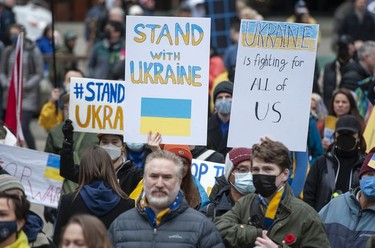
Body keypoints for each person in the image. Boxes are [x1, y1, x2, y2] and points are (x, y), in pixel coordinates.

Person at [214, 138, 330, 247]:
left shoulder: (305, 215)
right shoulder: (246, 202)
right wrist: (258, 234)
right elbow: (219, 227)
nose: (261, 174)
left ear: (285, 174)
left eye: (268, 169)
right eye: (256, 170)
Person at [108, 150, 224, 247]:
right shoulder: (120, 226)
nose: (159, 183)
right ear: (144, 179)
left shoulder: (202, 227)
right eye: (153, 176)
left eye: (167, 177)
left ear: (179, 180)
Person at [53, 145, 135, 245]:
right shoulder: (128, 204)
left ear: (83, 170)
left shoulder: (69, 201)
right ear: (110, 168)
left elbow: (58, 241)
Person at [60, 119, 143, 196]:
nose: (110, 146)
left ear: (123, 146)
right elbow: (67, 170)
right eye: (105, 142)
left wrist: (155, 150)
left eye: (114, 142)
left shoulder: (133, 174)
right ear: (99, 145)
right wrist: (68, 141)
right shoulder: (91, 170)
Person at [304, 115, 367, 212]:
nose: (345, 136)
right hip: (322, 222)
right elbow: (309, 195)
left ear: (358, 137)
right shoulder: (321, 162)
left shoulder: (365, 166)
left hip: (355, 224)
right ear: (335, 135)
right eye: (341, 132)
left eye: (350, 133)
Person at [319, 147, 375, 247]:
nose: (373, 181)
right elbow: (313, 236)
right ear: (361, 176)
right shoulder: (336, 205)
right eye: (370, 174)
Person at [0, 24, 44, 149]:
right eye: (11, 34)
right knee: (10, 127)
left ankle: (33, 150)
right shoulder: (8, 51)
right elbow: (2, 71)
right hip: (10, 96)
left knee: (23, 127)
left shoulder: (33, 51)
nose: (13, 37)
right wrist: (6, 84)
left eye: (16, 34)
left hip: (27, 96)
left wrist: (24, 85)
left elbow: (39, 74)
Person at [0, 174, 54, 247]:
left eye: (3, 214)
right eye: (10, 196)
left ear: (20, 222)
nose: (18, 200)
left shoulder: (41, 241)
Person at [203, 147, 254, 220]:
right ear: (229, 174)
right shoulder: (211, 211)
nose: (250, 175)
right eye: (243, 170)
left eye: (254, 170)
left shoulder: (265, 209)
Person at [164, 144, 210, 210]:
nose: (180, 167)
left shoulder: (198, 192)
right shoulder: (152, 186)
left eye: (184, 163)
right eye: (176, 162)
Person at [318, 34, 357, 108]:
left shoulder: (357, 68)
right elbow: (320, 88)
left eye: (347, 47)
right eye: (341, 47)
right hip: (329, 110)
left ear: (353, 48)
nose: (344, 50)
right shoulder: (328, 68)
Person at [207, 81, 234, 157]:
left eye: (228, 96)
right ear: (214, 102)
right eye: (220, 97)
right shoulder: (205, 125)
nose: (223, 100)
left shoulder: (241, 127)